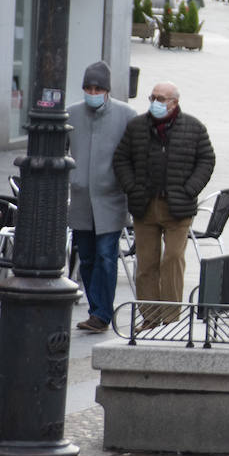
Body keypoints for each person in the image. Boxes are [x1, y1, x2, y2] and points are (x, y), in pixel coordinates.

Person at [113, 82, 216, 326]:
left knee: (172, 259)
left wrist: (189, 189)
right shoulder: (137, 126)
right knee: (146, 263)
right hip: (144, 205)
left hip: (178, 207)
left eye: (161, 99)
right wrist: (132, 186)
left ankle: (171, 317)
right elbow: (121, 159)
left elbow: (206, 160)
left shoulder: (193, 127)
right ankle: (150, 316)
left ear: (174, 103)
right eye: (153, 97)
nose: (155, 103)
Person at [69, 61, 135, 333]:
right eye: (88, 87)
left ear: (107, 90)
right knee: (86, 257)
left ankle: (102, 314)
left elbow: (133, 155)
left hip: (111, 199)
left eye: (98, 88)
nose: (92, 92)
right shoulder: (71, 114)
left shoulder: (126, 115)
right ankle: (95, 309)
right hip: (82, 199)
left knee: (107, 256)